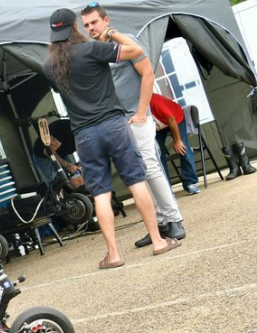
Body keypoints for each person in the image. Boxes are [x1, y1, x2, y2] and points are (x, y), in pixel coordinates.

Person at [42, 8, 180, 269]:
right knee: (137, 181)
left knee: (101, 194)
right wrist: (113, 33)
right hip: (114, 125)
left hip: (84, 134)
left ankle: (114, 254)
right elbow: (136, 51)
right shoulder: (92, 49)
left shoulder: (48, 66)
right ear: (75, 27)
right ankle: (158, 241)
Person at [81, 2, 190, 252]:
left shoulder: (126, 42)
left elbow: (148, 73)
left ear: (106, 21)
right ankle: (157, 226)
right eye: (86, 25)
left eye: (94, 22)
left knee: (150, 166)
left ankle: (173, 219)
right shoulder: (96, 50)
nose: (90, 28)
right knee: (136, 175)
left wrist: (142, 112)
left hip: (137, 117)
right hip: (116, 123)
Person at [149, 92, 202, 192]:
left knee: (182, 147)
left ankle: (190, 182)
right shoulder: (132, 107)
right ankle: (165, 188)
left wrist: (177, 141)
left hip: (174, 118)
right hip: (157, 126)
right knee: (157, 153)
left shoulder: (153, 100)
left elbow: (171, 119)